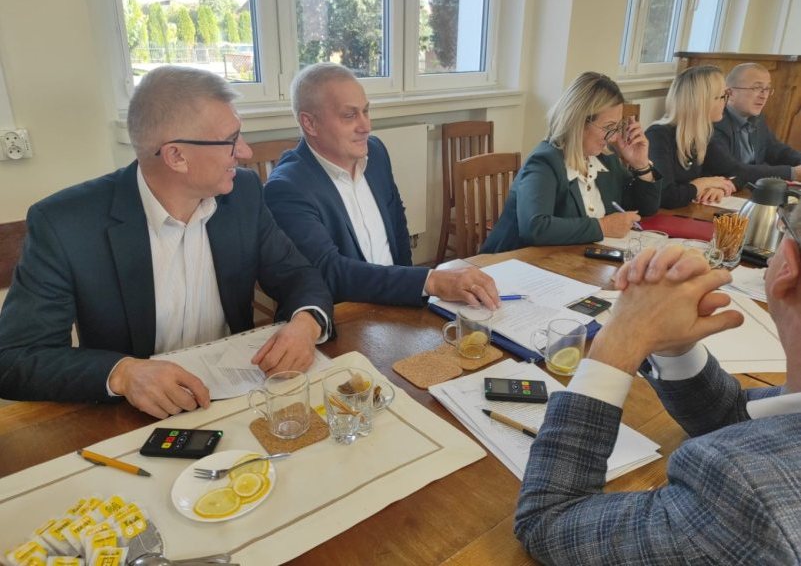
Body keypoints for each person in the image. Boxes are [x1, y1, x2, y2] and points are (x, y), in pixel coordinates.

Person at [0, 66, 333, 419]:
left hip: (239, 397)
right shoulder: (67, 225)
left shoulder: (243, 194)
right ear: (176, 156)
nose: (246, 152)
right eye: (231, 140)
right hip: (133, 415)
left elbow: (297, 274)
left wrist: (306, 322)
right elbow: (14, 358)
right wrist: (122, 374)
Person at [514, 205, 801, 563]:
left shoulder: (748, 492)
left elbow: (549, 521)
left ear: (787, 266)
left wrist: (621, 337)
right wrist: (673, 347)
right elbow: (739, 421)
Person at [263, 63, 500, 308]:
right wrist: (428, 281)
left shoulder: (375, 152)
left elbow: (397, 223)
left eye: (366, 111)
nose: (366, 126)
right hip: (345, 314)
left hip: (397, 301)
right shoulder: (287, 188)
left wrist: (411, 297)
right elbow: (330, 272)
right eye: (349, 115)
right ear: (310, 123)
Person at [481, 72, 661, 251]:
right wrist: (603, 226)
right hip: (514, 262)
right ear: (579, 122)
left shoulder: (605, 159)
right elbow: (535, 228)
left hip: (572, 260)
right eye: (608, 127)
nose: (614, 137)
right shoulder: (544, 162)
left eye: (617, 127)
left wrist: (641, 165)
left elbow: (644, 210)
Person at [646, 65, 741, 209]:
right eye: (723, 96)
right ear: (702, 102)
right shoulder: (658, 135)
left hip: (687, 212)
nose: (725, 102)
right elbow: (666, 196)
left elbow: (736, 171)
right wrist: (703, 184)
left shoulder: (702, 133)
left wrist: (722, 187)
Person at [713, 62, 801, 181]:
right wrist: (792, 173)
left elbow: (777, 151)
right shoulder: (716, 121)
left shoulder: (757, 118)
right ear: (730, 93)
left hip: (752, 186)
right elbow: (732, 170)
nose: (764, 96)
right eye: (756, 88)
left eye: (767, 89)